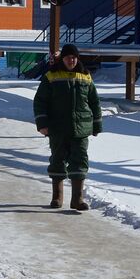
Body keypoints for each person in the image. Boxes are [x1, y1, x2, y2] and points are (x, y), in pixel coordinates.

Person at [33, 43, 102, 211]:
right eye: (67, 57)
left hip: (81, 128)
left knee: (79, 160)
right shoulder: (51, 76)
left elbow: (94, 101)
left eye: (73, 57)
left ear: (77, 58)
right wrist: (42, 124)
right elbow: (40, 101)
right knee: (57, 160)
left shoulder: (85, 76)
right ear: (62, 59)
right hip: (58, 127)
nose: (71, 60)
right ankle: (57, 196)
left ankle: (77, 199)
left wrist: (96, 124)